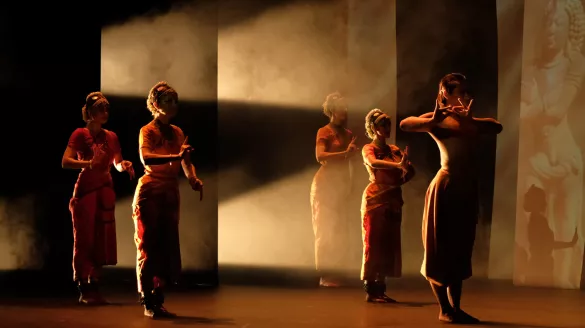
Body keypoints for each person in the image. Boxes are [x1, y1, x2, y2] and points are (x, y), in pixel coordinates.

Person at [399, 73, 502, 324]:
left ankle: (456, 307)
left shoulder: (471, 120)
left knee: (460, 248)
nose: (466, 96)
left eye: (467, 91)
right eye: (461, 91)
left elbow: (496, 126)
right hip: (446, 186)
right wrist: (432, 120)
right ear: (446, 92)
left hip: (465, 188)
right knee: (439, 249)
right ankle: (444, 308)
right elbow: (404, 124)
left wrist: (472, 120)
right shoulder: (437, 120)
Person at [133, 81, 203, 318]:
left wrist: (192, 178)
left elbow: (185, 161)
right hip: (151, 191)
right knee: (149, 245)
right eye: (167, 101)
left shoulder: (177, 131)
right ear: (155, 104)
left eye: (175, 101)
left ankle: (159, 298)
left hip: (170, 192)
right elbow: (146, 158)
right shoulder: (147, 131)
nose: (173, 105)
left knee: (166, 246)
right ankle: (148, 299)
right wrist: (176, 154)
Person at [62, 92, 135, 305]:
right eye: (100, 108)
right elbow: (65, 161)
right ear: (89, 112)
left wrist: (124, 166)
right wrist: (87, 164)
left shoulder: (111, 136)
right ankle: (83, 285)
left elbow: (117, 162)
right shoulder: (79, 134)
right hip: (86, 189)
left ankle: (95, 283)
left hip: (105, 189)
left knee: (101, 238)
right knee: (84, 238)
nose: (105, 112)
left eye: (106, 108)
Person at [361, 109, 415, 303]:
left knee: (388, 245)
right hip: (375, 199)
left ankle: (381, 289)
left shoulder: (394, 149)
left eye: (388, 125)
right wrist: (397, 166)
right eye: (383, 125)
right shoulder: (369, 148)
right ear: (374, 128)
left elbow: (410, 171)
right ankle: (371, 290)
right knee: (374, 243)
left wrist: (403, 174)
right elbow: (373, 163)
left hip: (393, 199)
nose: (387, 128)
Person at [310, 92, 358, 287]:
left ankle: (337, 270)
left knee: (339, 228)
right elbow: (320, 156)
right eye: (341, 108)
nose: (345, 111)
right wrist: (344, 153)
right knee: (325, 228)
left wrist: (351, 183)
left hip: (340, 184)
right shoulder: (324, 131)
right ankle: (325, 273)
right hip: (324, 185)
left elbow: (349, 163)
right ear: (332, 111)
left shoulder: (347, 134)